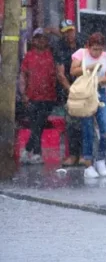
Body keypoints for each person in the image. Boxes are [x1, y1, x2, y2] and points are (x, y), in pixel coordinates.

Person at [70, 33, 106, 178]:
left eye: (99, 49)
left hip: (100, 92)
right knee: (88, 129)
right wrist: (89, 68)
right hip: (85, 94)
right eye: (94, 49)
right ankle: (88, 163)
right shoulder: (81, 54)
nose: (97, 52)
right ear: (88, 46)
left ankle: (101, 158)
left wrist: (100, 79)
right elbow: (73, 71)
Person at [18, 28, 58, 165]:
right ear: (33, 40)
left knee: (38, 124)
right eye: (38, 37)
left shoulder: (52, 53)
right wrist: (23, 94)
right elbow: (23, 76)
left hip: (49, 97)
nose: (41, 40)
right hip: (31, 97)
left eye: (44, 37)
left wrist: (53, 31)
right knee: (37, 125)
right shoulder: (28, 56)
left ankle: (29, 150)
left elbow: (64, 40)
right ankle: (36, 153)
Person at [56, 19, 88, 167]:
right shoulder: (60, 48)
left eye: (71, 30)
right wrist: (71, 90)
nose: (70, 34)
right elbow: (60, 74)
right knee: (71, 124)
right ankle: (73, 154)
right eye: (66, 32)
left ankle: (85, 154)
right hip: (69, 91)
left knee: (85, 123)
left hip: (85, 89)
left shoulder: (83, 44)